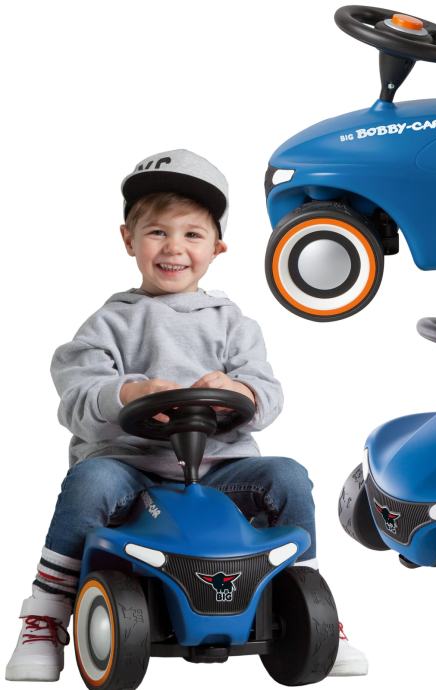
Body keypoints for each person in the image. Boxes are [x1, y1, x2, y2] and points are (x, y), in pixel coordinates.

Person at [5, 149, 367, 681]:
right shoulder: (107, 324)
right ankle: (47, 612)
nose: (174, 247)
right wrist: (129, 393)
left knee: (288, 476)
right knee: (89, 481)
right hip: (131, 471)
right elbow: (77, 399)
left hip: (222, 471)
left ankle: (303, 595)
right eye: (157, 232)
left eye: (192, 234)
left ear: (217, 247)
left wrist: (238, 390)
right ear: (128, 239)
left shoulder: (234, 324)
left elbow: (267, 394)